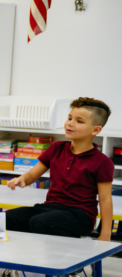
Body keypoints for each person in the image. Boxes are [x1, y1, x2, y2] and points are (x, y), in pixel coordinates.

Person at [6, 98, 113, 240]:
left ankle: (75, 253)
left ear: (96, 130)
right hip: (49, 208)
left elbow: (105, 199)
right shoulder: (56, 148)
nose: (70, 123)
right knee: (8, 218)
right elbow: (33, 174)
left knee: (40, 223)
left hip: (80, 215)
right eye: (69, 118)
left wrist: (105, 234)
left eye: (79, 121)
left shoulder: (102, 162)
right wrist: (22, 179)